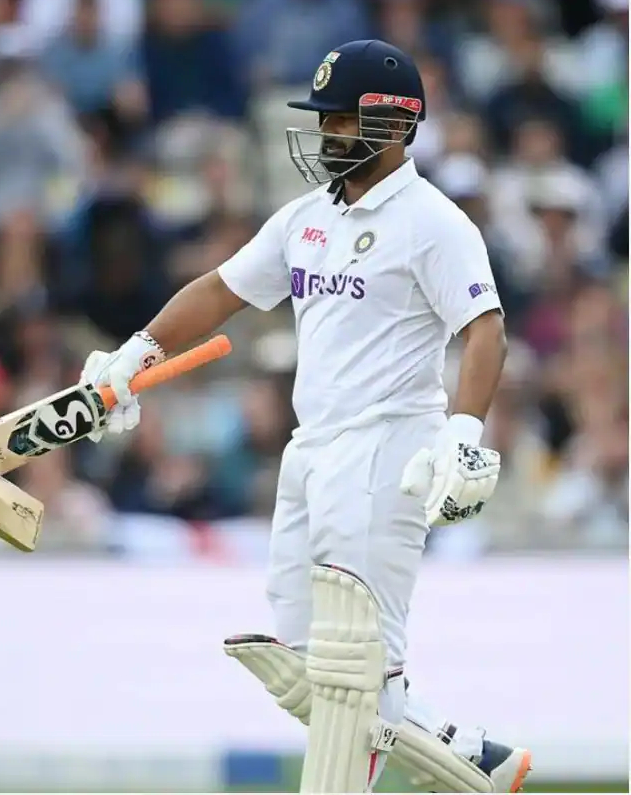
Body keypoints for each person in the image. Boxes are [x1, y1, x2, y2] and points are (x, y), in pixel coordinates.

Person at [80, 40, 531, 792]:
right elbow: (220, 290)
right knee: (300, 661)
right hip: (312, 448)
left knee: (357, 669)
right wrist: (137, 354)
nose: (326, 136)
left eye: (340, 120)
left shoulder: (435, 222)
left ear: (392, 124)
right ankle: (469, 758)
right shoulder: (305, 217)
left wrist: (464, 431)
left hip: (389, 451)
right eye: (323, 120)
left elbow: (485, 328)